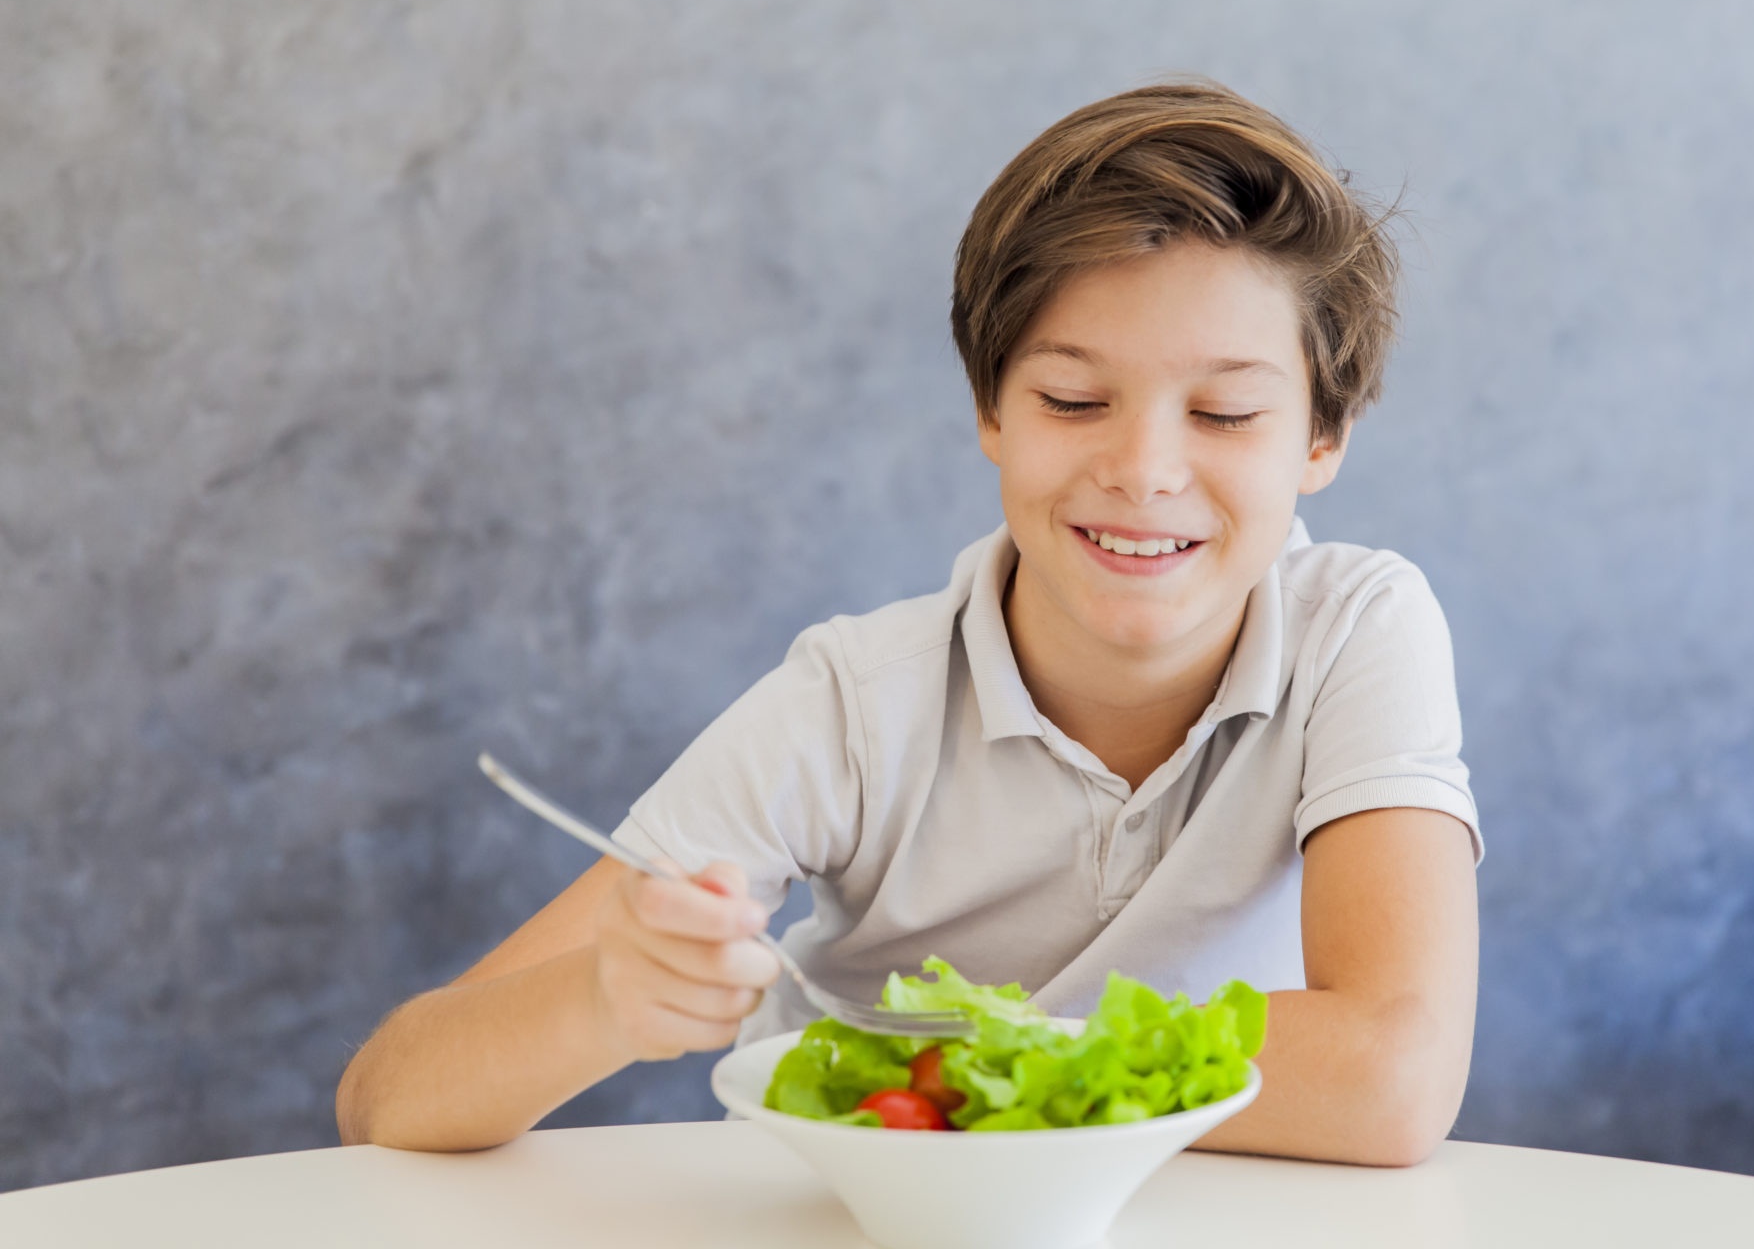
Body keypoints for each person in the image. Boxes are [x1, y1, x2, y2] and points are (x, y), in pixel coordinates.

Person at [336, 77, 1482, 1166]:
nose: (1144, 470)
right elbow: (388, 1099)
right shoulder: (853, 705)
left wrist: (951, 1075)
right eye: (1073, 400)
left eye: (1227, 412)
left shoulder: (1354, 631)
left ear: (1321, 440)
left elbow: (1393, 1074)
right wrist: (603, 1000)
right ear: (991, 411)